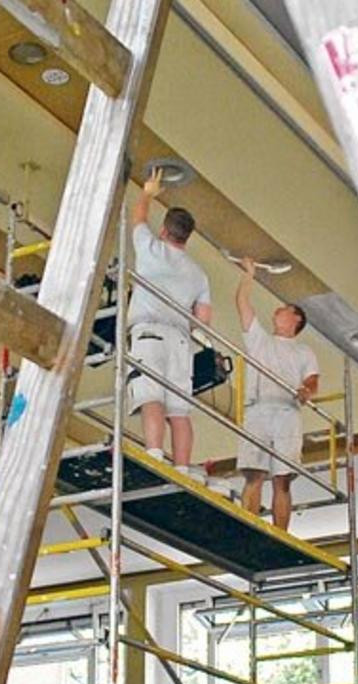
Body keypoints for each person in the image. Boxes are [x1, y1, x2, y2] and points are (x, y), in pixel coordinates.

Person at [128, 167, 212, 478]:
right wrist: (183, 327)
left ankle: (153, 453)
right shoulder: (198, 273)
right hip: (179, 340)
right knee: (179, 409)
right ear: (187, 237)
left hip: (149, 333)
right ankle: (181, 466)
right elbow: (203, 318)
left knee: (151, 395)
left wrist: (147, 194)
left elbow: (137, 219)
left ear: (164, 230)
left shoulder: (151, 249)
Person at [234, 257, 318, 530]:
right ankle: (251, 527)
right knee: (253, 473)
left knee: (282, 478)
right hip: (257, 408)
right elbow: (242, 304)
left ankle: (280, 533)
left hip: (286, 410)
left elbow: (312, 379)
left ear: (296, 319)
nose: (278, 310)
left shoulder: (303, 351)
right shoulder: (260, 340)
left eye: (284, 309)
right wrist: (249, 275)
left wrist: (307, 391)